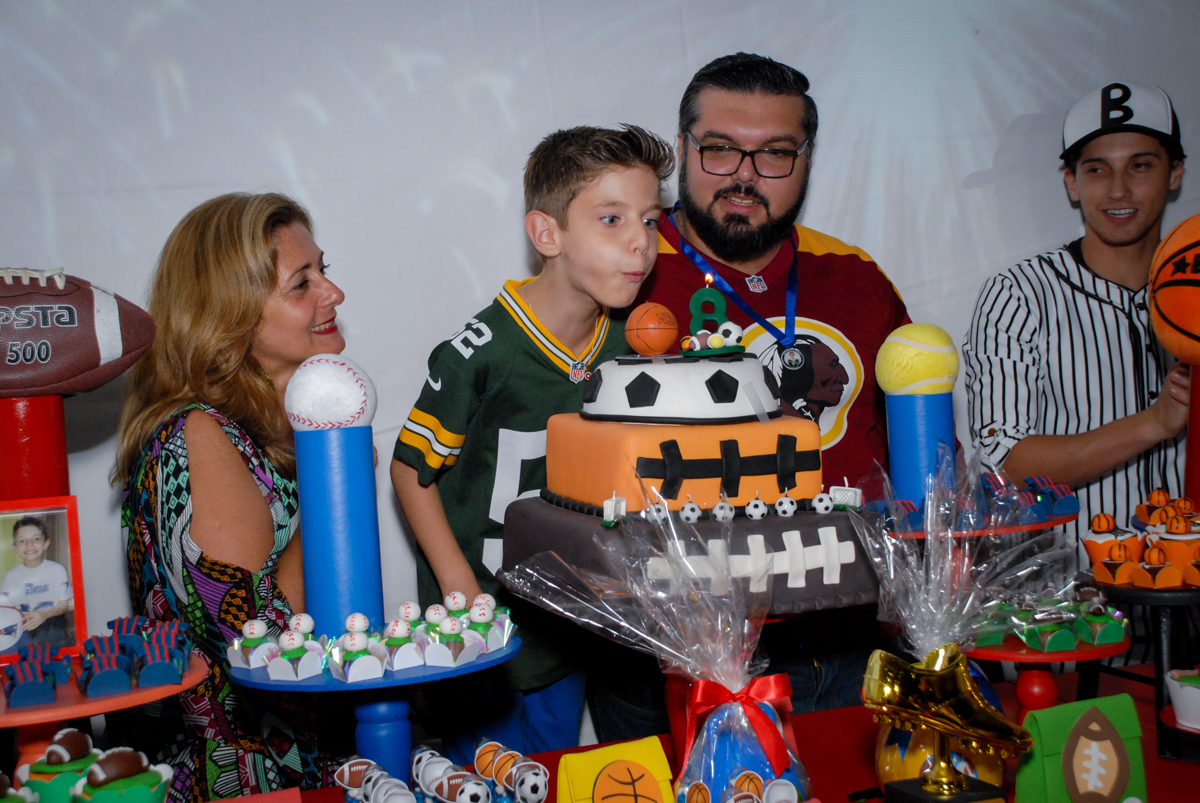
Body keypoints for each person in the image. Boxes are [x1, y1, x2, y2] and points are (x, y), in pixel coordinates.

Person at [590, 52, 910, 739]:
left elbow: (912, 456)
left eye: (774, 155)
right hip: (669, 655)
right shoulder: (621, 276)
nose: (743, 175)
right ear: (681, 151)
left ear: (807, 161)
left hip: (850, 642)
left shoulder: (857, 277)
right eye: (719, 149)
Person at [392, 125, 673, 764]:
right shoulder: (482, 351)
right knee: (482, 773)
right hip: (478, 612)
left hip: (565, 613)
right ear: (547, 235)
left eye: (651, 222)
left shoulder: (632, 341)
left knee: (547, 773)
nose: (640, 242)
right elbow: (411, 470)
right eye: (611, 219)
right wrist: (456, 580)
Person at [113, 192, 350, 801]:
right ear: (232, 314)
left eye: (324, 270)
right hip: (240, 780)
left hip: (306, 760)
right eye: (302, 284)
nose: (333, 294)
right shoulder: (197, 435)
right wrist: (335, 484)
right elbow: (264, 642)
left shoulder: (267, 428)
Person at [963, 81, 1190, 544]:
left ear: (1175, 174)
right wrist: (1154, 422)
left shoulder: (1194, 289)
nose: (1119, 190)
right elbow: (1007, 465)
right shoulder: (1019, 294)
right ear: (1072, 182)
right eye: (1097, 170)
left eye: (1141, 166)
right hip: (1074, 599)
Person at [1, 516, 72, 647]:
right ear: (14, 547)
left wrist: (44, 614)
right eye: (22, 540)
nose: (29, 544)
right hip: (25, 626)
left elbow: (64, 605)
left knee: (52, 631)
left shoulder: (57, 570)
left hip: (51, 624)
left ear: (46, 543)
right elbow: (7, 610)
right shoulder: (11, 576)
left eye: (36, 539)